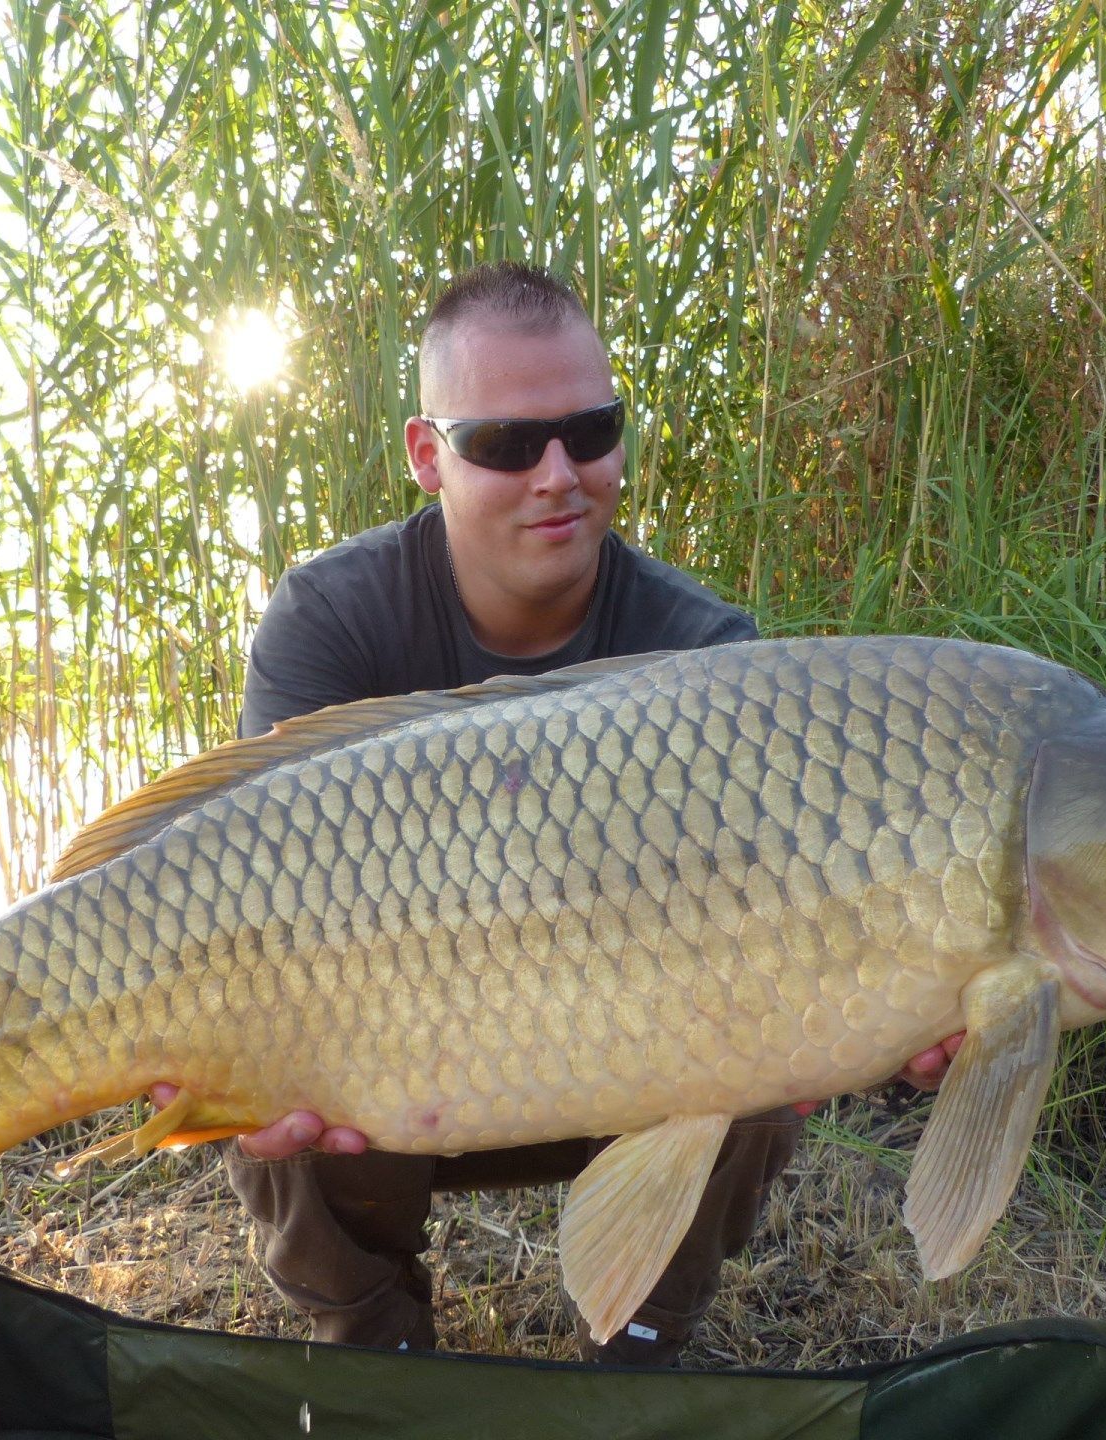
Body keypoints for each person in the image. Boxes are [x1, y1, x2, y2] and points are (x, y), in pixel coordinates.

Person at [181, 261, 962, 1365]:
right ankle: (378, 1357)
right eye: (506, 443)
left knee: (762, 1065)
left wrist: (910, 1002)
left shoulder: (707, 655)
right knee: (270, 1058)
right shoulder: (330, 620)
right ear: (426, 456)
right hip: (389, 1080)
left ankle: (640, 1344)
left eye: (591, 433)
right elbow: (244, 890)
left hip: (622, 1071)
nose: (559, 475)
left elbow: (786, 923)